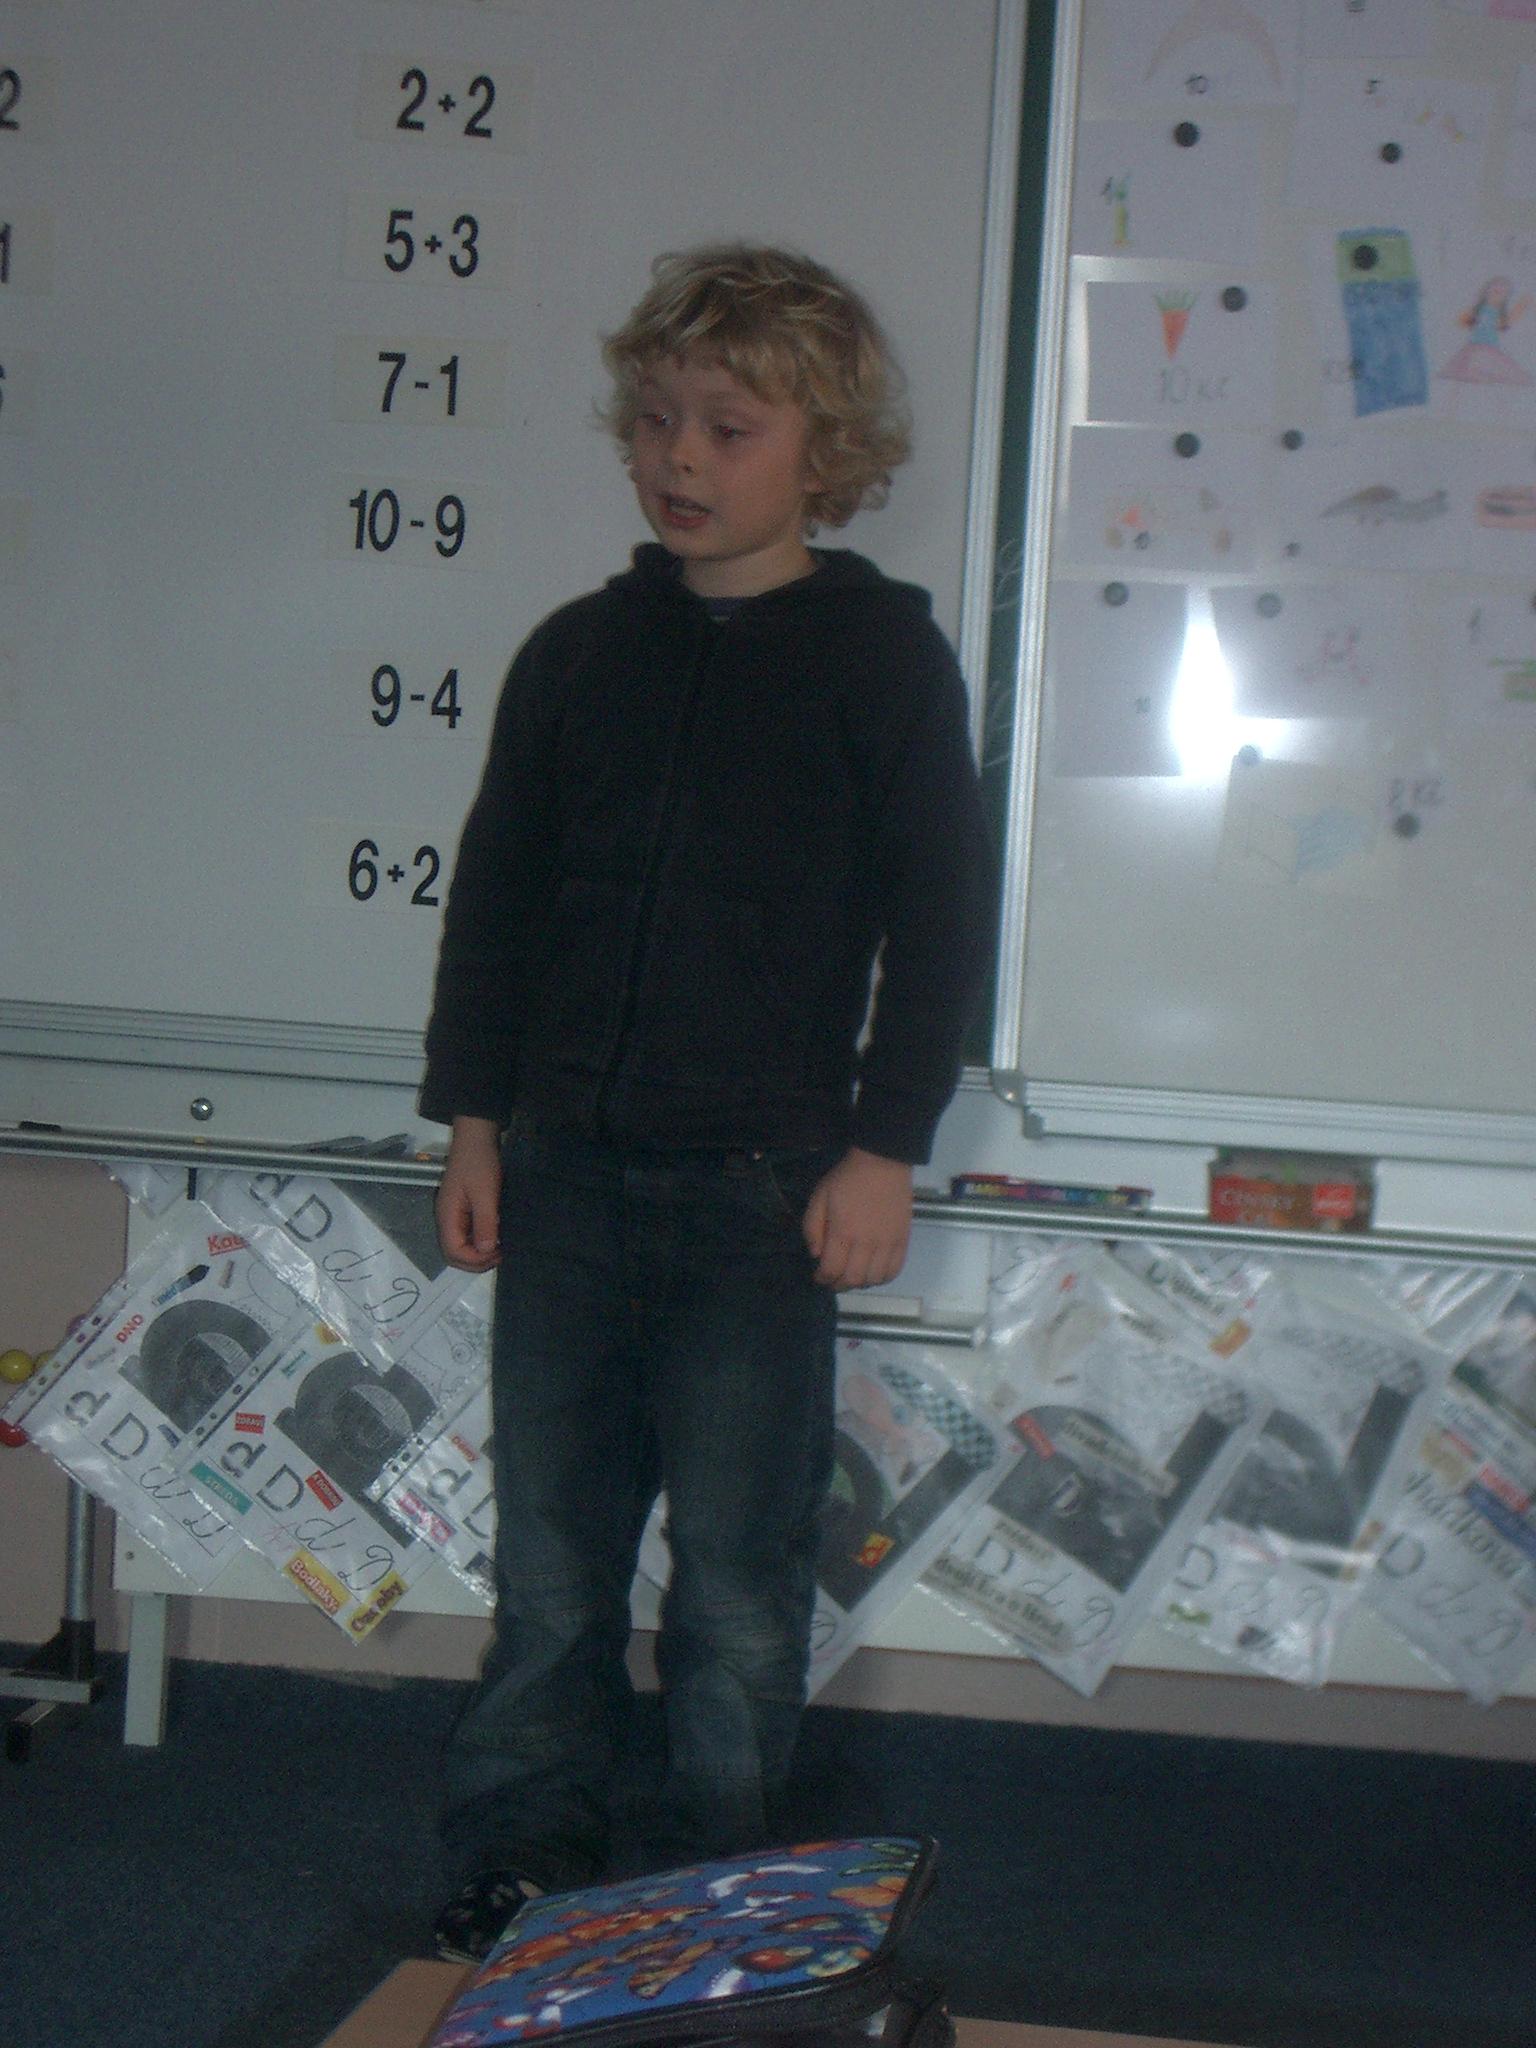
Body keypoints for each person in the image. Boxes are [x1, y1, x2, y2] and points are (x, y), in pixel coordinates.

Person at [418, 242, 993, 1961]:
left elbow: (942, 920)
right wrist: (474, 1121)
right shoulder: (576, 655)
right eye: (656, 421)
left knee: (738, 1582)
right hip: (568, 1178)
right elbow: (497, 903)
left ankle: (714, 1882)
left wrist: (886, 1146)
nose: (679, 456)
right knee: (551, 1570)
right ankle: (524, 1854)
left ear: (827, 454)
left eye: (728, 429)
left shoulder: (882, 663)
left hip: (762, 1188)